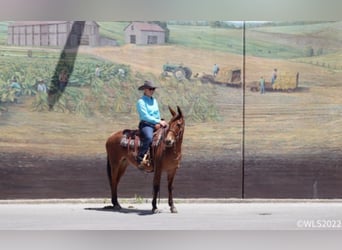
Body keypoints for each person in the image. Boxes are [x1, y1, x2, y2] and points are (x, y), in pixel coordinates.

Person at [136, 80, 167, 171]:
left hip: (156, 123)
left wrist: (160, 121)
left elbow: (157, 114)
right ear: (145, 90)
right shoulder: (141, 102)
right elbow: (145, 116)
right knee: (149, 138)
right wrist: (158, 121)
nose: (152, 91)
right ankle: (140, 158)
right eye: (150, 89)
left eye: (153, 89)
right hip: (146, 124)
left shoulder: (154, 101)